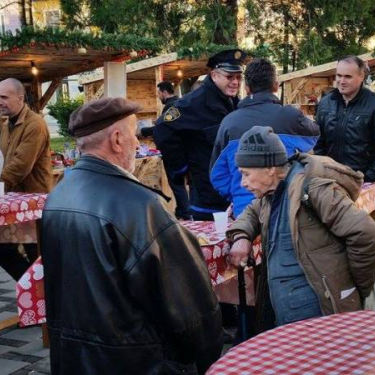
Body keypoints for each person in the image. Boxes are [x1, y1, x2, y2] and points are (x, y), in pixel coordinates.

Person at [41, 97, 223, 375]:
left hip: (73, 360)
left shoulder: (58, 195)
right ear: (116, 139)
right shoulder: (139, 205)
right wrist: (205, 357)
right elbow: (191, 310)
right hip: (137, 362)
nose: (138, 144)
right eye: (134, 135)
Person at [227, 126, 375, 332]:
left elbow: (367, 234)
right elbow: (252, 212)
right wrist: (241, 236)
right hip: (288, 308)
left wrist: (357, 284)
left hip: (316, 313)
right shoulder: (272, 191)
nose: (243, 183)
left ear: (269, 169)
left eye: (246, 174)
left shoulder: (313, 189)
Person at [210, 58, 319, 217]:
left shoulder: (229, 122)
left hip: (245, 212)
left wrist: (239, 193)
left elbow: (217, 174)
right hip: (286, 210)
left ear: (246, 88)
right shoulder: (289, 117)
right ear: (275, 85)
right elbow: (316, 138)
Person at [154, 49, 247, 220]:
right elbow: (162, 129)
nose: (235, 82)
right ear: (214, 75)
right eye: (229, 77)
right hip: (207, 197)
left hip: (234, 193)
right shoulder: (192, 103)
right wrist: (183, 166)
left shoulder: (234, 102)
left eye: (238, 77)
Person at [314, 55, 375, 182]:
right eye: (339, 75)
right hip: (329, 181)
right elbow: (318, 143)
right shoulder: (326, 103)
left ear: (361, 76)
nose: (342, 81)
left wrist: (367, 178)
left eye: (348, 76)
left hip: (361, 183)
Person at [0, 78, 52, 281]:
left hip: (33, 202)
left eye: (4, 97)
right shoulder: (6, 124)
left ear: (20, 98)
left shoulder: (35, 124)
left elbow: (20, 166)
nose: (0, 101)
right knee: (4, 250)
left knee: (37, 257)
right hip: (13, 202)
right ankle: (31, 290)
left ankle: (46, 302)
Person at [143, 81, 191, 220]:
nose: (158, 96)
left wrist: (143, 130)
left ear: (164, 92)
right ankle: (182, 211)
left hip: (174, 154)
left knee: (177, 184)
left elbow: (162, 129)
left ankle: (185, 214)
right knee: (183, 185)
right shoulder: (180, 104)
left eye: (158, 93)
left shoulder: (171, 107)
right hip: (184, 152)